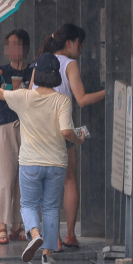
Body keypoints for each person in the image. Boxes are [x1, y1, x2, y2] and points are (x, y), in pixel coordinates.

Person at [0, 53, 85, 264]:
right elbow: (67, 132)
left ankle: (34, 232)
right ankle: (47, 253)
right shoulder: (62, 101)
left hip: (30, 161)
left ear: (36, 74)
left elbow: (1, 93)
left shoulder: (25, 97)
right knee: (49, 207)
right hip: (56, 162)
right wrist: (79, 139)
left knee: (28, 205)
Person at [32, 23, 105, 250]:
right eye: (80, 43)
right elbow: (81, 99)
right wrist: (108, 91)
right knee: (69, 180)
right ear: (69, 43)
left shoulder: (40, 62)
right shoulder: (70, 64)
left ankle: (50, 235)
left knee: (45, 183)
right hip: (62, 129)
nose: (81, 48)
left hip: (39, 130)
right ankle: (70, 234)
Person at [0, 30, 32, 245]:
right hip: (4, 126)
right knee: (4, 177)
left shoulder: (33, 71)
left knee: (24, 179)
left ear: (25, 47)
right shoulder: (0, 70)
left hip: (29, 127)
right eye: (9, 45)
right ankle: (2, 224)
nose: (12, 50)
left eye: (16, 45)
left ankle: (18, 225)